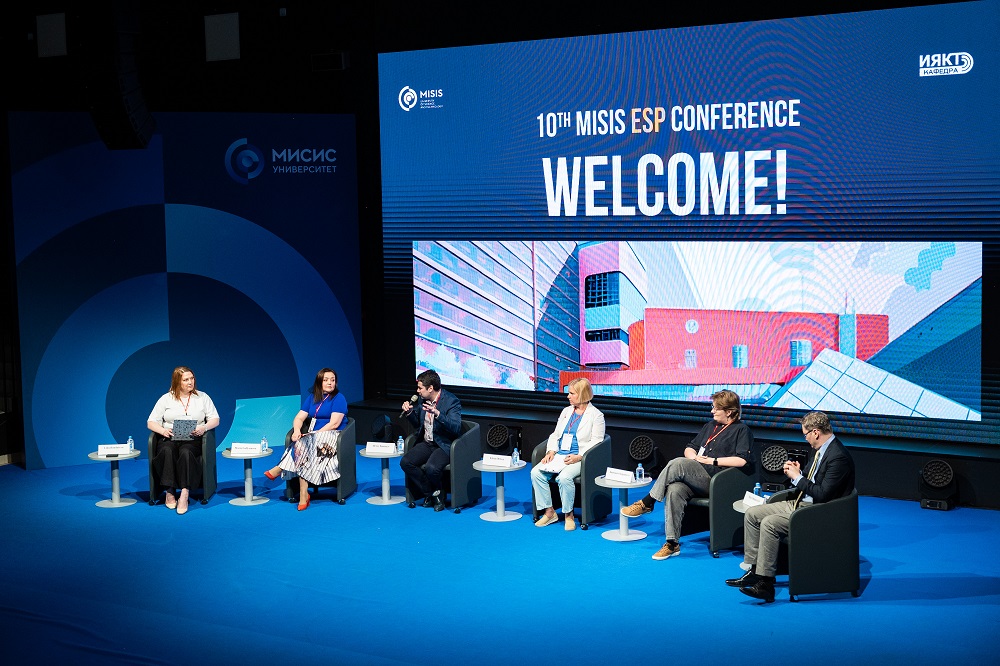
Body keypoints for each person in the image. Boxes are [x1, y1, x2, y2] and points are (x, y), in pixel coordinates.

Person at [726, 410, 856, 603]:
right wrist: (799, 472)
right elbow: (813, 480)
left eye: (805, 435)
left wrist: (797, 477)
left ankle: (765, 583)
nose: (806, 439)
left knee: (769, 523)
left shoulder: (838, 457)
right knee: (752, 514)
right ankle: (754, 570)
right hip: (801, 502)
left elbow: (822, 494)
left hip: (818, 513)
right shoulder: (821, 449)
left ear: (815, 432)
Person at [621, 389, 752, 560]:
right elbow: (690, 448)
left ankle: (648, 502)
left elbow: (742, 460)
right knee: (675, 489)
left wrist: (712, 461)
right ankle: (672, 543)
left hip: (718, 481)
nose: (712, 411)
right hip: (698, 476)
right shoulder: (710, 426)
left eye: (716, 408)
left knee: (677, 463)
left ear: (728, 412)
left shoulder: (741, 430)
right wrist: (694, 458)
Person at [264, 368, 348, 511]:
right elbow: (299, 418)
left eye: (333, 380)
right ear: (319, 382)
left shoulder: (339, 398)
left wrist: (314, 434)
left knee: (303, 445)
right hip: (313, 438)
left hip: (332, 436)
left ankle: (280, 469)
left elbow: (334, 424)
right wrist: (297, 430)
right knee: (301, 448)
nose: (330, 383)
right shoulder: (312, 398)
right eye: (326, 380)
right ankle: (303, 493)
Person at [532, 377, 605, 531]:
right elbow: (555, 434)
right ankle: (549, 512)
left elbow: (597, 441)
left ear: (582, 394)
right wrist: (551, 451)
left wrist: (580, 456)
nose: (568, 396)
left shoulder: (596, 415)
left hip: (580, 457)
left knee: (564, 478)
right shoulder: (566, 411)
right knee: (536, 473)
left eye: (572, 393)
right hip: (560, 455)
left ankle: (568, 515)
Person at [147, 366, 220, 515]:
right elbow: (151, 422)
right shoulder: (166, 398)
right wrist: (163, 431)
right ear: (177, 382)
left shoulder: (202, 397)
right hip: (170, 437)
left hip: (193, 438)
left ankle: (185, 493)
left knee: (186, 452)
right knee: (166, 450)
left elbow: (215, 419)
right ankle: (169, 491)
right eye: (186, 380)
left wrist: (204, 428)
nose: (190, 382)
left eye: (192, 378)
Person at [399, 369, 462, 512]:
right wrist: (410, 413)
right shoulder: (422, 400)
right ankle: (432, 493)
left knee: (431, 468)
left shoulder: (451, 401)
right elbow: (418, 425)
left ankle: (437, 495)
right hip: (427, 442)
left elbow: (456, 427)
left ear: (430, 388)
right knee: (406, 462)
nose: (417, 391)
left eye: (420, 388)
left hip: (444, 444)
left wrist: (438, 414)